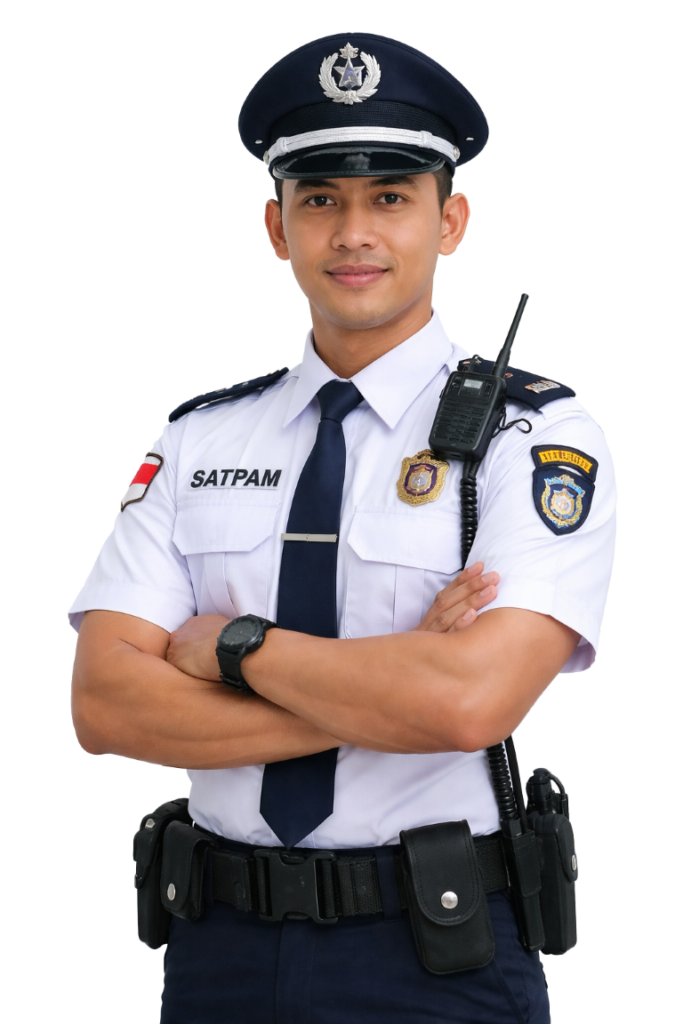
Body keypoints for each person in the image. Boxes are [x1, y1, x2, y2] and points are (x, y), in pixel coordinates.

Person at [68, 31, 617, 1024]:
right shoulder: (197, 437)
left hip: (438, 954)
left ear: (450, 221)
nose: (352, 233)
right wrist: (392, 685)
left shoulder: (532, 436)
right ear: (275, 227)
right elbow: (106, 704)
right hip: (216, 949)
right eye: (318, 200)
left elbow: (468, 704)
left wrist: (232, 649)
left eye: (389, 198)